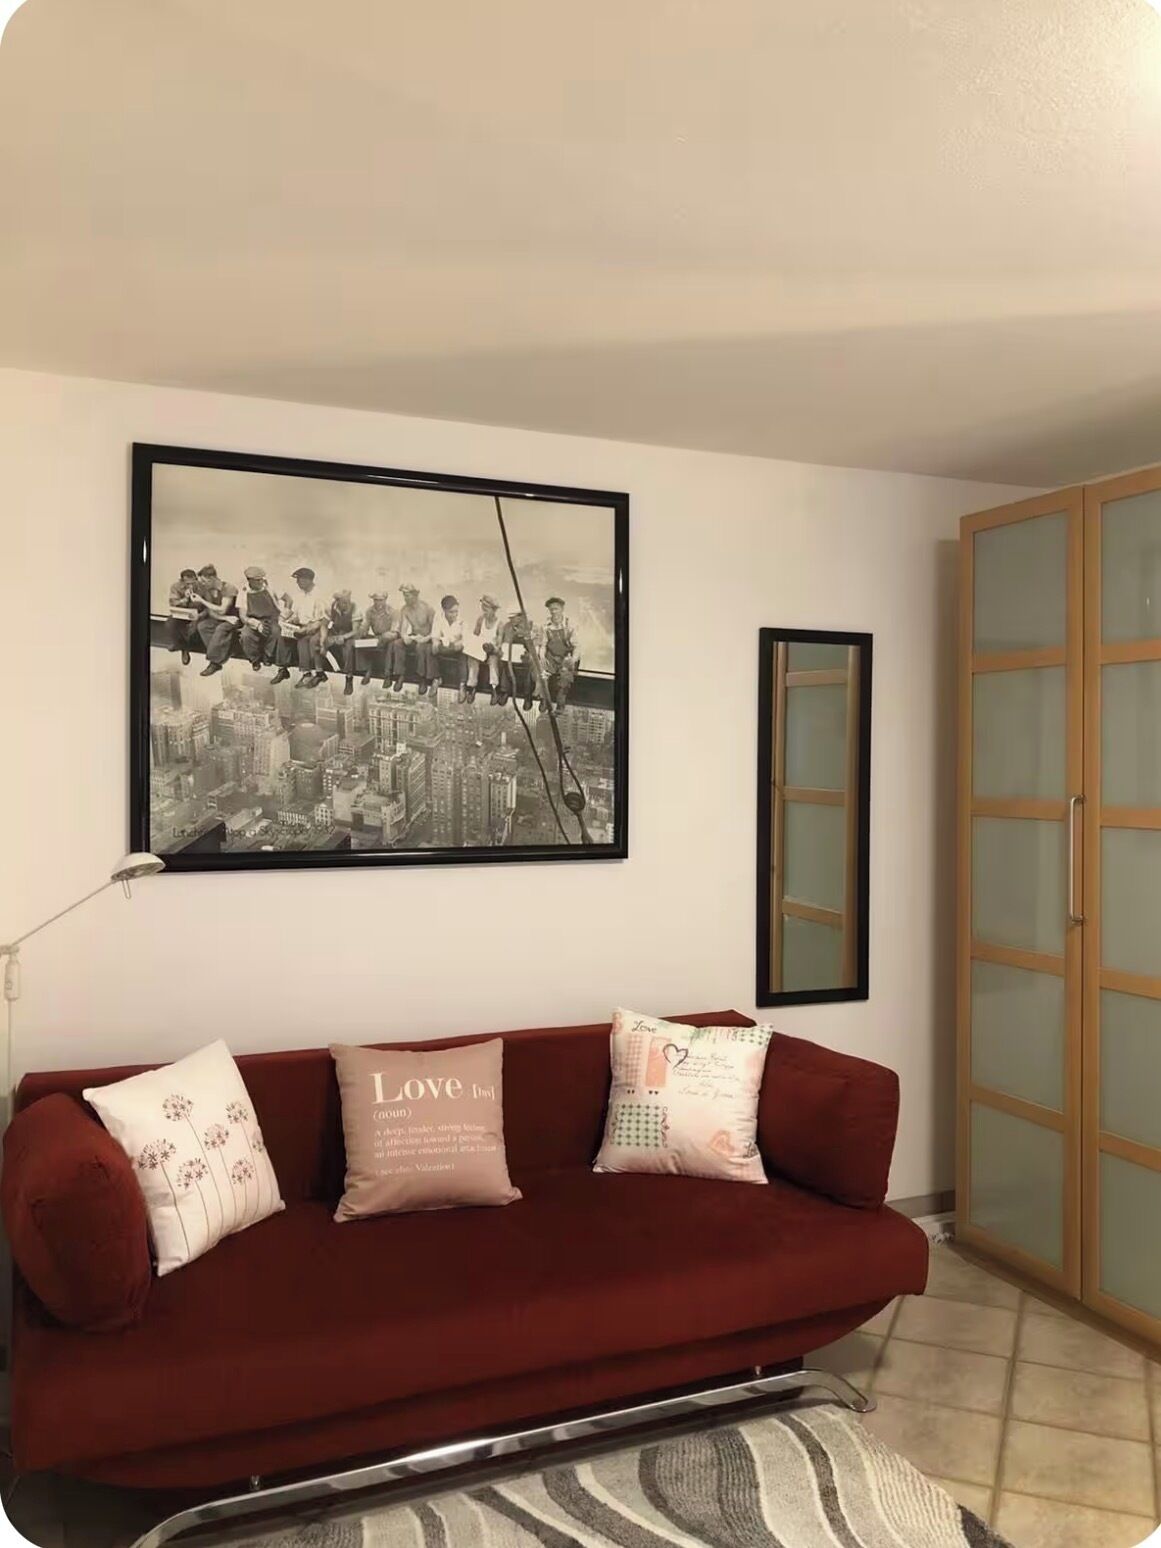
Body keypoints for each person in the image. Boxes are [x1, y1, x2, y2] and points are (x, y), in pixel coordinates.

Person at [277, 566, 328, 689]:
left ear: (307, 580)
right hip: (302, 626)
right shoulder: (300, 595)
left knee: (304, 640)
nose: (297, 582)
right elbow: (296, 614)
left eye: (299, 579)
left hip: (318, 627)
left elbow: (322, 620)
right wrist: (288, 621)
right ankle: (284, 669)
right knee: (283, 636)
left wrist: (306, 629)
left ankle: (315, 673)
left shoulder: (319, 595)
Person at [194, 564, 240, 677]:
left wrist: (202, 601)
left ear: (212, 578)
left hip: (235, 620)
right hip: (223, 618)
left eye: (204, 581)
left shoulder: (228, 588)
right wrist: (225, 618)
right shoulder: (208, 591)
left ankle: (214, 663)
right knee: (203, 626)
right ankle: (223, 652)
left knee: (221, 629)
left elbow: (222, 609)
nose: (202, 584)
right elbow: (211, 612)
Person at [390, 583, 436, 696]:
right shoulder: (405, 609)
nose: (405, 598)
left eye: (407, 595)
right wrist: (405, 637)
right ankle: (400, 675)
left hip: (428, 639)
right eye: (404, 595)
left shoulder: (427, 608)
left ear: (415, 595)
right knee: (397, 644)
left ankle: (422, 678)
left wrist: (425, 638)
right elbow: (403, 629)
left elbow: (435, 630)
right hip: (415, 637)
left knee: (420, 647)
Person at [237, 566, 283, 673]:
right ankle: (254, 660)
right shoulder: (243, 592)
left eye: (261, 579)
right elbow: (243, 616)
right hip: (253, 620)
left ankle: (268, 656)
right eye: (257, 580)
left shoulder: (270, 587)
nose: (261, 582)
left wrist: (286, 612)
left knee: (276, 631)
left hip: (271, 619)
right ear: (250, 580)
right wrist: (256, 624)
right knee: (245, 635)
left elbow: (287, 599)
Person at [317, 589, 361, 695]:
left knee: (348, 648)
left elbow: (356, 630)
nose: (346, 604)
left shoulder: (355, 609)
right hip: (336, 631)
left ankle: (349, 677)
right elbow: (324, 624)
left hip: (350, 634)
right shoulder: (332, 607)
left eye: (347, 601)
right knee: (318, 642)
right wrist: (323, 639)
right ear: (337, 601)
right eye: (343, 602)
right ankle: (320, 672)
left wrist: (343, 637)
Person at [539, 596, 579, 711]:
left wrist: (573, 660)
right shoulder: (546, 626)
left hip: (566, 657)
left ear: (562, 609)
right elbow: (543, 645)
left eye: (556, 609)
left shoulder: (570, 625)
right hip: (551, 656)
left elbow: (577, 646)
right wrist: (542, 657)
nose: (553, 612)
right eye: (551, 609)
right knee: (542, 673)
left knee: (565, 675)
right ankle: (544, 699)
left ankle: (561, 701)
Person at [464, 593, 503, 704]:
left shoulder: (499, 624)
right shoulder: (480, 620)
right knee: (472, 659)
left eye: (487, 609)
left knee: (493, 661)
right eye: (483, 609)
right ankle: (472, 686)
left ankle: (494, 688)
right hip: (479, 649)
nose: (484, 612)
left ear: (493, 610)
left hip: (491, 651)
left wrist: (492, 648)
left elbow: (499, 643)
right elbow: (475, 635)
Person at [360, 591, 400, 687]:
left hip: (390, 637)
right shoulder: (369, 611)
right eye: (376, 600)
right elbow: (365, 625)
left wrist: (385, 637)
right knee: (363, 641)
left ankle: (387, 676)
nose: (378, 603)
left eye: (381, 600)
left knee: (390, 646)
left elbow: (395, 631)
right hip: (377, 636)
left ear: (385, 600)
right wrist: (362, 631)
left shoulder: (393, 612)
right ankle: (367, 671)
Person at [432, 594, 466, 699]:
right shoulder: (439, 619)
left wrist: (458, 644)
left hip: (456, 648)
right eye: (451, 612)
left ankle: (462, 686)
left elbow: (465, 639)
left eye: (456, 611)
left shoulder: (462, 621)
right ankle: (436, 679)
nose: (454, 614)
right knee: (432, 650)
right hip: (444, 647)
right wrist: (436, 643)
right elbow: (435, 636)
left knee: (463, 656)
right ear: (444, 610)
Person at [166, 569, 200, 664]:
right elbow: (173, 602)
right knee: (170, 623)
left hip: (197, 613)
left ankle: (184, 646)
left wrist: (196, 599)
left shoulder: (201, 587)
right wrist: (184, 599)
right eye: (187, 583)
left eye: (193, 582)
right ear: (181, 581)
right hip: (183, 612)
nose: (190, 585)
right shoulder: (176, 586)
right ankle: (183, 647)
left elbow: (206, 603)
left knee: (193, 628)